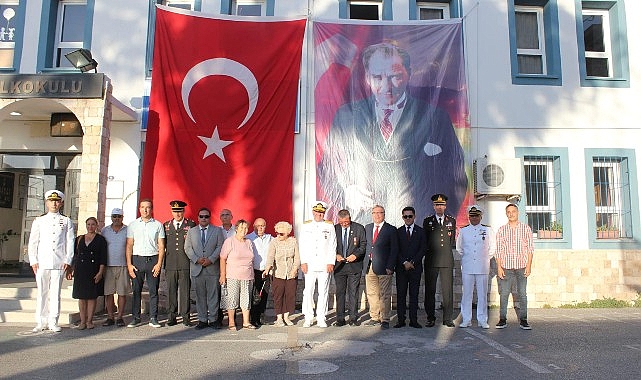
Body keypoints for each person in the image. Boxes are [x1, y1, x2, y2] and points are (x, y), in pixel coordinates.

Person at [318, 41, 467, 223]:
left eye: (394, 76)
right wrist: (346, 192)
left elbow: (456, 176)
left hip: (416, 228)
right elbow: (327, 169)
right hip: (367, 227)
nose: (386, 86)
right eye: (378, 77)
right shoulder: (347, 117)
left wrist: (438, 222)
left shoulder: (435, 118)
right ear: (367, 78)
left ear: (408, 74)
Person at [28, 190, 75, 333]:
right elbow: (33, 242)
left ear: (61, 203)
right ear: (46, 202)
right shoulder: (39, 220)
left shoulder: (66, 220)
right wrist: (33, 260)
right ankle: (40, 321)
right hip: (42, 261)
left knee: (55, 294)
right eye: (51, 201)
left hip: (59, 262)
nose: (54, 203)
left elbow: (70, 241)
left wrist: (68, 259)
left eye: (57, 201)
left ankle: (53, 321)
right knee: (42, 292)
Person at [126, 199, 166, 328]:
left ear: (152, 209)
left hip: (152, 260)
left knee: (153, 291)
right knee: (136, 290)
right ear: (139, 209)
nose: (145, 210)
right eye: (142, 207)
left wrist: (159, 263)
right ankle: (136, 317)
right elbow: (129, 246)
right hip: (137, 260)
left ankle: (153, 318)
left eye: (148, 207)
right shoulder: (133, 225)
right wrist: (129, 265)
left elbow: (161, 246)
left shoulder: (158, 225)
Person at [184, 207, 225, 330]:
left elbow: (220, 246)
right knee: (200, 296)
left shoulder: (217, 231)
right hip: (197, 268)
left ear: (210, 218)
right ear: (198, 218)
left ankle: (213, 320)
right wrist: (197, 259)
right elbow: (187, 248)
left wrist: (211, 259)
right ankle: (202, 320)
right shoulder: (192, 231)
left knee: (213, 296)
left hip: (212, 268)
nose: (203, 218)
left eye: (206, 216)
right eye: (201, 216)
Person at [495, 203, 534, 330]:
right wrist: (499, 267)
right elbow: (499, 250)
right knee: (504, 293)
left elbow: (530, 249)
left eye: (513, 211)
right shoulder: (502, 230)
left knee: (522, 293)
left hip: (521, 266)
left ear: (518, 213)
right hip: (506, 267)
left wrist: (528, 266)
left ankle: (524, 320)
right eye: (509, 212)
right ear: (506, 214)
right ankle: (502, 319)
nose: (511, 214)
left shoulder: (526, 229)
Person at [456, 205, 495, 329]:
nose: (474, 218)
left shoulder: (488, 230)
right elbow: (459, 248)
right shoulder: (463, 230)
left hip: (482, 266)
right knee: (467, 294)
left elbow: (492, 247)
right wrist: (467, 258)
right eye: (471, 216)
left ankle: (482, 319)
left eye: (476, 216)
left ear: (481, 216)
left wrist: (484, 259)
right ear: (468, 217)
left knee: (482, 294)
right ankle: (466, 319)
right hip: (468, 266)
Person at [299, 201, 337, 328]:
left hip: (324, 264)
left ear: (324, 213)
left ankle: (321, 317)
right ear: (313, 212)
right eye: (317, 212)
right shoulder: (306, 226)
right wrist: (303, 261)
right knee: (308, 291)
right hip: (309, 264)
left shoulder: (329, 226)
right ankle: (308, 317)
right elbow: (302, 245)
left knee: (323, 291)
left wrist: (331, 262)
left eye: (321, 213)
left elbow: (333, 245)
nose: (319, 215)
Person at [423, 193, 457, 328]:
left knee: (447, 291)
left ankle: (447, 318)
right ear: (433, 206)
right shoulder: (428, 221)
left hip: (447, 260)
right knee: (430, 290)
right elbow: (425, 241)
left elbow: (451, 240)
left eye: (442, 205)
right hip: (431, 260)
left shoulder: (451, 221)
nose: (439, 207)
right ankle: (430, 317)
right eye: (437, 205)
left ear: (445, 206)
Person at [363, 205, 398, 330]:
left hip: (384, 267)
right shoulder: (367, 228)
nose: (377, 215)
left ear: (384, 214)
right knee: (372, 293)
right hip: (369, 266)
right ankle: (374, 317)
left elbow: (394, 250)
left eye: (380, 213)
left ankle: (385, 319)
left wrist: (390, 266)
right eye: (375, 213)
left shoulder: (391, 229)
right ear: (371, 214)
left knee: (384, 294)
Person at [68, 217, 107, 330]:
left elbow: (103, 257)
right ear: (86, 225)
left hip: (93, 270)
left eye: (93, 224)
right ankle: (82, 321)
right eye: (88, 224)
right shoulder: (79, 239)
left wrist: (100, 272)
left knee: (91, 297)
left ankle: (90, 321)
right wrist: (70, 269)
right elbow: (74, 255)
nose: (90, 227)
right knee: (81, 297)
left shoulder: (100, 240)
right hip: (81, 270)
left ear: (97, 226)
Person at [163, 200, 196, 327]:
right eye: (175, 211)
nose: (177, 214)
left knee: (185, 291)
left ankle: (185, 316)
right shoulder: (166, 225)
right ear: (171, 211)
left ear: (184, 211)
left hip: (185, 263)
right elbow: (162, 245)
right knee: (171, 291)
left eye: (180, 211)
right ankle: (171, 316)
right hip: (170, 263)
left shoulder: (191, 225)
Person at [219, 219, 256, 330]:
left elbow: (252, 260)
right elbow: (222, 258)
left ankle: (246, 322)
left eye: (246, 228)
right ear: (236, 229)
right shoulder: (229, 241)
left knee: (246, 299)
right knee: (232, 299)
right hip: (232, 275)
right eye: (241, 228)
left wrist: (252, 275)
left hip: (247, 276)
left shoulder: (249, 242)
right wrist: (222, 275)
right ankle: (231, 322)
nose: (244, 230)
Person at [333, 209, 366, 327]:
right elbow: (330, 245)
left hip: (354, 266)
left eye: (346, 222)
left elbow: (363, 245)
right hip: (339, 266)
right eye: (341, 222)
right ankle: (340, 319)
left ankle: (353, 318)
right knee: (340, 292)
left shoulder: (359, 228)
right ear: (338, 220)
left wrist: (355, 255)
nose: (344, 224)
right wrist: (335, 255)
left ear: (350, 219)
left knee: (353, 292)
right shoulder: (334, 228)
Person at [394, 206, 426, 329]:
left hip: (415, 268)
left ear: (414, 216)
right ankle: (401, 320)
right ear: (402, 217)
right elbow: (396, 250)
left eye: (410, 216)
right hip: (401, 269)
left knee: (414, 295)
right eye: (405, 216)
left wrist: (412, 262)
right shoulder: (398, 231)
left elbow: (422, 249)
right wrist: (404, 262)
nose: (407, 218)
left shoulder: (421, 231)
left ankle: (413, 320)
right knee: (401, 295)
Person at [264, 221, 300, 327]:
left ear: (287, 233)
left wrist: (294, 269)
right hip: (278, 273)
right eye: (277, 233)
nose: (278, 235)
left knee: (290, 295)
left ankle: (286, 317)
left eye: (281, 234)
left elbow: (297, 258)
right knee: (278, 295)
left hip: (291, 273)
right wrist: (267, 269)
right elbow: (270, 257)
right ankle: (279, 317)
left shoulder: (293, 242)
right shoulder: (274, 242)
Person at [101, 208, 131, 327]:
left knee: (122, 293)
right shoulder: (105, 230)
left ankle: (119, 317)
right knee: (108, 293)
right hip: (108, 266)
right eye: (114, 216)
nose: (116, 219)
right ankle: (110, 317)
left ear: (122, 217)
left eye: (119, 216)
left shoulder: (128, 230)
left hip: (123, 265)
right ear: (111, 217)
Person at [246, 217, 273, 327]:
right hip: (254, 271)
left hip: (266, 271)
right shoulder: (248, 238)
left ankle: (262, 316)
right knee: (254, 295)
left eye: (262, 226)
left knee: (264, 294)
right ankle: (253, 317)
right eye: (258, 226)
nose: (260, 228)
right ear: (254, 227)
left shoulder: (270, 238)